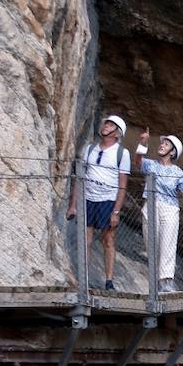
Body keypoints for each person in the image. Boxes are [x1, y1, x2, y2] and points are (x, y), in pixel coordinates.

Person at [68, 114, 131, 290]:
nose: (106, 126)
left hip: (108, 200)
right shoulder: (89, 149)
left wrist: (116, 212)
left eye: (111, 125)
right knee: (85, 240)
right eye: (106, 123)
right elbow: (80, 177)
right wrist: (73, 205)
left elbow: (122, 185)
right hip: (89, 198)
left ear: (117, 134)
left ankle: (109, 281)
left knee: (108, 239)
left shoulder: (121, 153)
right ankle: (84, 278)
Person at [133, 129, 183, 292]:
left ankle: (166, 282)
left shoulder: (178, 172)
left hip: (170, 207)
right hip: (151, 205)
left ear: (173, 152)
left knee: (168, 243)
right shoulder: (151, 164)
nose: (162, 145)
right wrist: (143, 143)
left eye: (166, 144)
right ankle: (155, 281)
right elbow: (138, 161)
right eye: (162, 143)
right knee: (151, 243)